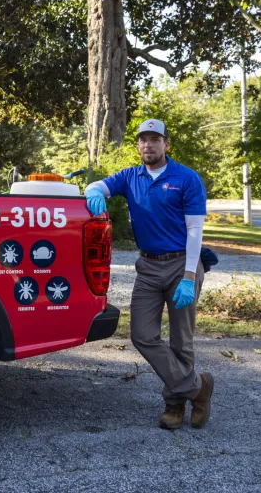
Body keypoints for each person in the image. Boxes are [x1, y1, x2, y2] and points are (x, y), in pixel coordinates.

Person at [85, 118, 214, 429]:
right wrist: (95, 191)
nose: (148, 145)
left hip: (182, 262)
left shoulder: (186, 178)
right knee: (142, 335)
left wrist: (188, 276)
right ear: (139, 145)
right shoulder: (130, 176)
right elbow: (97, 185)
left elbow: (195, 230)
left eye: (155, 139)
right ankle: (199, 387)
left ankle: (174, 407)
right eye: (143, 139)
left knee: (182, 340)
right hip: (148, 266)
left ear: (166, 144)